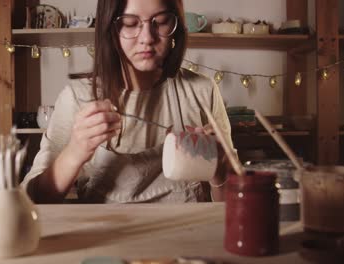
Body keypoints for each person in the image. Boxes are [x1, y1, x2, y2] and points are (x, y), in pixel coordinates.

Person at [21, 0, 234, 203]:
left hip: (190, 236)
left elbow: (232, 205)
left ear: (175, 26)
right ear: (110, 29)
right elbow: (35, 199)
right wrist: (76, 151)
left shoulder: (202, 91)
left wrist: (220, 171)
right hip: (106, 238)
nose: (147, 38)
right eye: (130, 23)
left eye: (160, 22)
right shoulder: (78, 98)